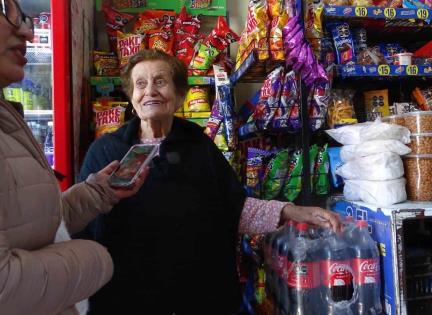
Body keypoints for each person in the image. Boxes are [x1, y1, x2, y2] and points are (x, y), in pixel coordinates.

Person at [79, 49, 342, 314]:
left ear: (180, 94)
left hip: (198, 296)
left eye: (160, 81)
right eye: (140, 84)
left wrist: (293, 211)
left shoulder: (199, 146)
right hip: (126, 299)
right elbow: (84, 228)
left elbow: (233, 208)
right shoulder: (105, 152)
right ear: (131, 96)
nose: (150, 91)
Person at [0, 1, 148, 314]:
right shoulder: (106, 146)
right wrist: (99, 260)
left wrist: (96, 193)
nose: (28, 31)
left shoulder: (8, 120)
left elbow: (32, 227)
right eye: (7, 11)